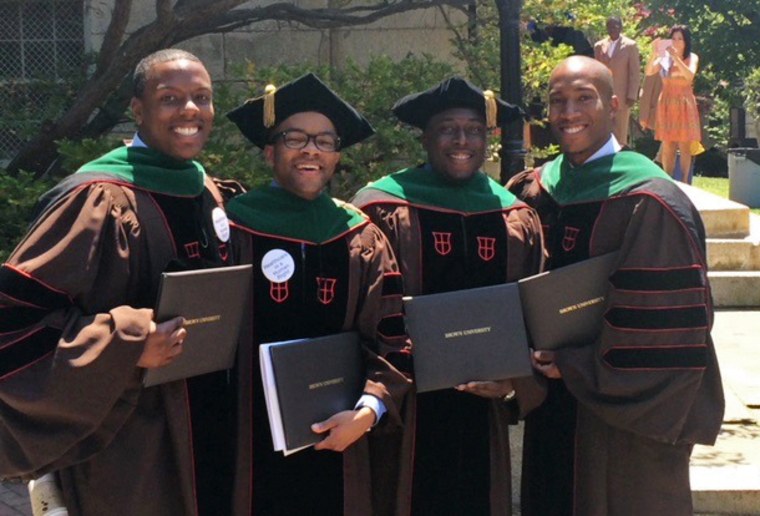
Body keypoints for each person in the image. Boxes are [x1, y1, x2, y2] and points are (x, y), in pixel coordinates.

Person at [0, 49, 239, 515]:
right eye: (170, 98)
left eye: (202, 97)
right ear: (138, 109)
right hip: (130, 443)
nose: (190, 110)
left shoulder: (205, 189)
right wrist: (127, 345)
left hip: (210, 425)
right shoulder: (98, 198)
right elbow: (16, 325)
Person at [507, 55, 724, 515]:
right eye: (557, 101)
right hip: (550, 405)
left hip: (625, 419)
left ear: (614, 104)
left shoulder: (651, 201)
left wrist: (577, 365)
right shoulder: (533, 189)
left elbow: (668, 331)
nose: (569, 113)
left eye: (584, 98)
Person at [352, 77, 545, 515]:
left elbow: (534, 317)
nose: (462, 140)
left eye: (474, 129)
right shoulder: (381, 207)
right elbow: (358, 315)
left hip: (484, 411)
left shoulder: (513, 215)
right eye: (447, 129)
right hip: (406, 413)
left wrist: (514, 382)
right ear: (425, 137)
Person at [225, 73, 410, 515]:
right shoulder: (231, 229)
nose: (311, 149)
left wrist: (368, 412)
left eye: (325, 141)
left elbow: (393, 339)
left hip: (341, 441)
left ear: (337, 157)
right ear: (270, 151)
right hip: (245, 443)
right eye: (295, 138)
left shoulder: (361, 237)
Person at [646, 25, 701, 182]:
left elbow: (689, 76)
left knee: (684, 144)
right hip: (667, 103)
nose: (676, 42)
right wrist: (654, 53)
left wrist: (676, 58)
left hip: (684, 102)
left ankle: (685, 181)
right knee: (668, 143)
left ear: (686, 41)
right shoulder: (664, 59)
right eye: (674, 38)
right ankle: (668, 180)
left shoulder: (692, 57)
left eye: (680, 39)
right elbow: (650, 71)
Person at [594, 15, 641, 146]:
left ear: (620, 27)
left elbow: (635, 72)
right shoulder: (599, 46)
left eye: (616, 26)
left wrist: (632, 94)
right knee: (604, 134)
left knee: (620, 135)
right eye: (610, 26)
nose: (613, 29)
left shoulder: (630, 46)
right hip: (604, 97)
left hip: (622, 97)